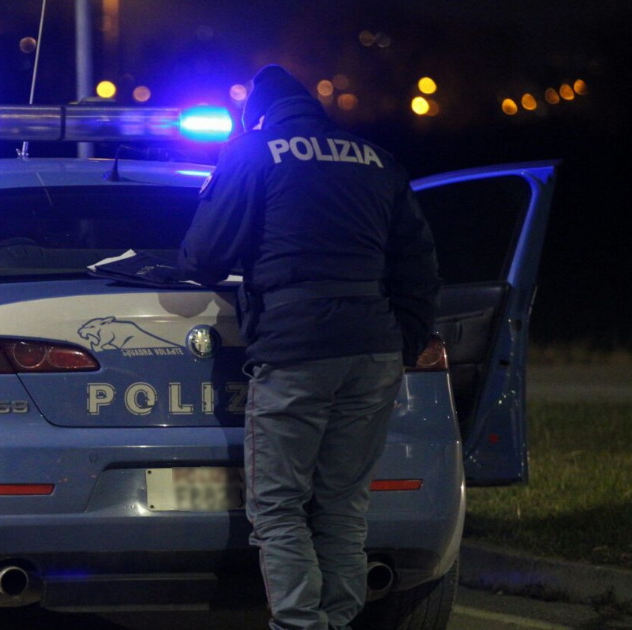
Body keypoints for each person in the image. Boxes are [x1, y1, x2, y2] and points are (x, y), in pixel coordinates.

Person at [177, 64, 441, 630]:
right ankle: (337, 622)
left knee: (278, 506)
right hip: (373, 351)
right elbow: (419, 264)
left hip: (296, 348)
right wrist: (403, 343)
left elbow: (203, 258)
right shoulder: (375, 159)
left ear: (256, 115)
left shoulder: (254, 152)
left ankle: (300, 624)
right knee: (343, 505)